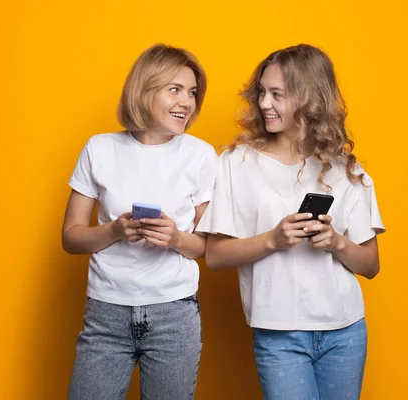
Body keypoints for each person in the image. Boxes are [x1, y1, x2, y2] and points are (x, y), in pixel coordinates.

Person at [197, 44, 385, 399]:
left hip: (345, 331)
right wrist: (274, 239)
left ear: (309, 98)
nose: (264, 103)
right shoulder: (236, 162)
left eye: (277, 95)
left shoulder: (347, 170)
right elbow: (216, 255)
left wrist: (335, 242)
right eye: (262, 93)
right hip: (278, 333)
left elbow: (371, 265)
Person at [62, 43, 217, 400]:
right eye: (174, 90)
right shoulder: (99, 149)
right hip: (106, 313)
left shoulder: (201, 155)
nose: (187, 103)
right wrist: (114, 230)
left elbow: (211, 247)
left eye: (192, 93)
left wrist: (176, 238)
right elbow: (71, 238)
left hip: (174, 315)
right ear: (145, 89)